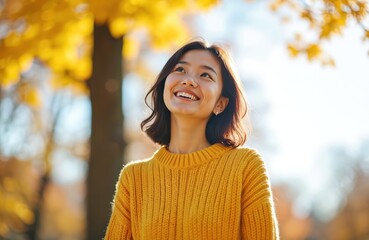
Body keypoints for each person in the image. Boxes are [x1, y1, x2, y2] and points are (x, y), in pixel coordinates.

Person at [104, 40, 279, 239]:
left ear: (220, 104)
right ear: (164, 88)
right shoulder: (133, 178)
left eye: (205, 75)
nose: (189, 80)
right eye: (180, 70)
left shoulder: (245, 166)